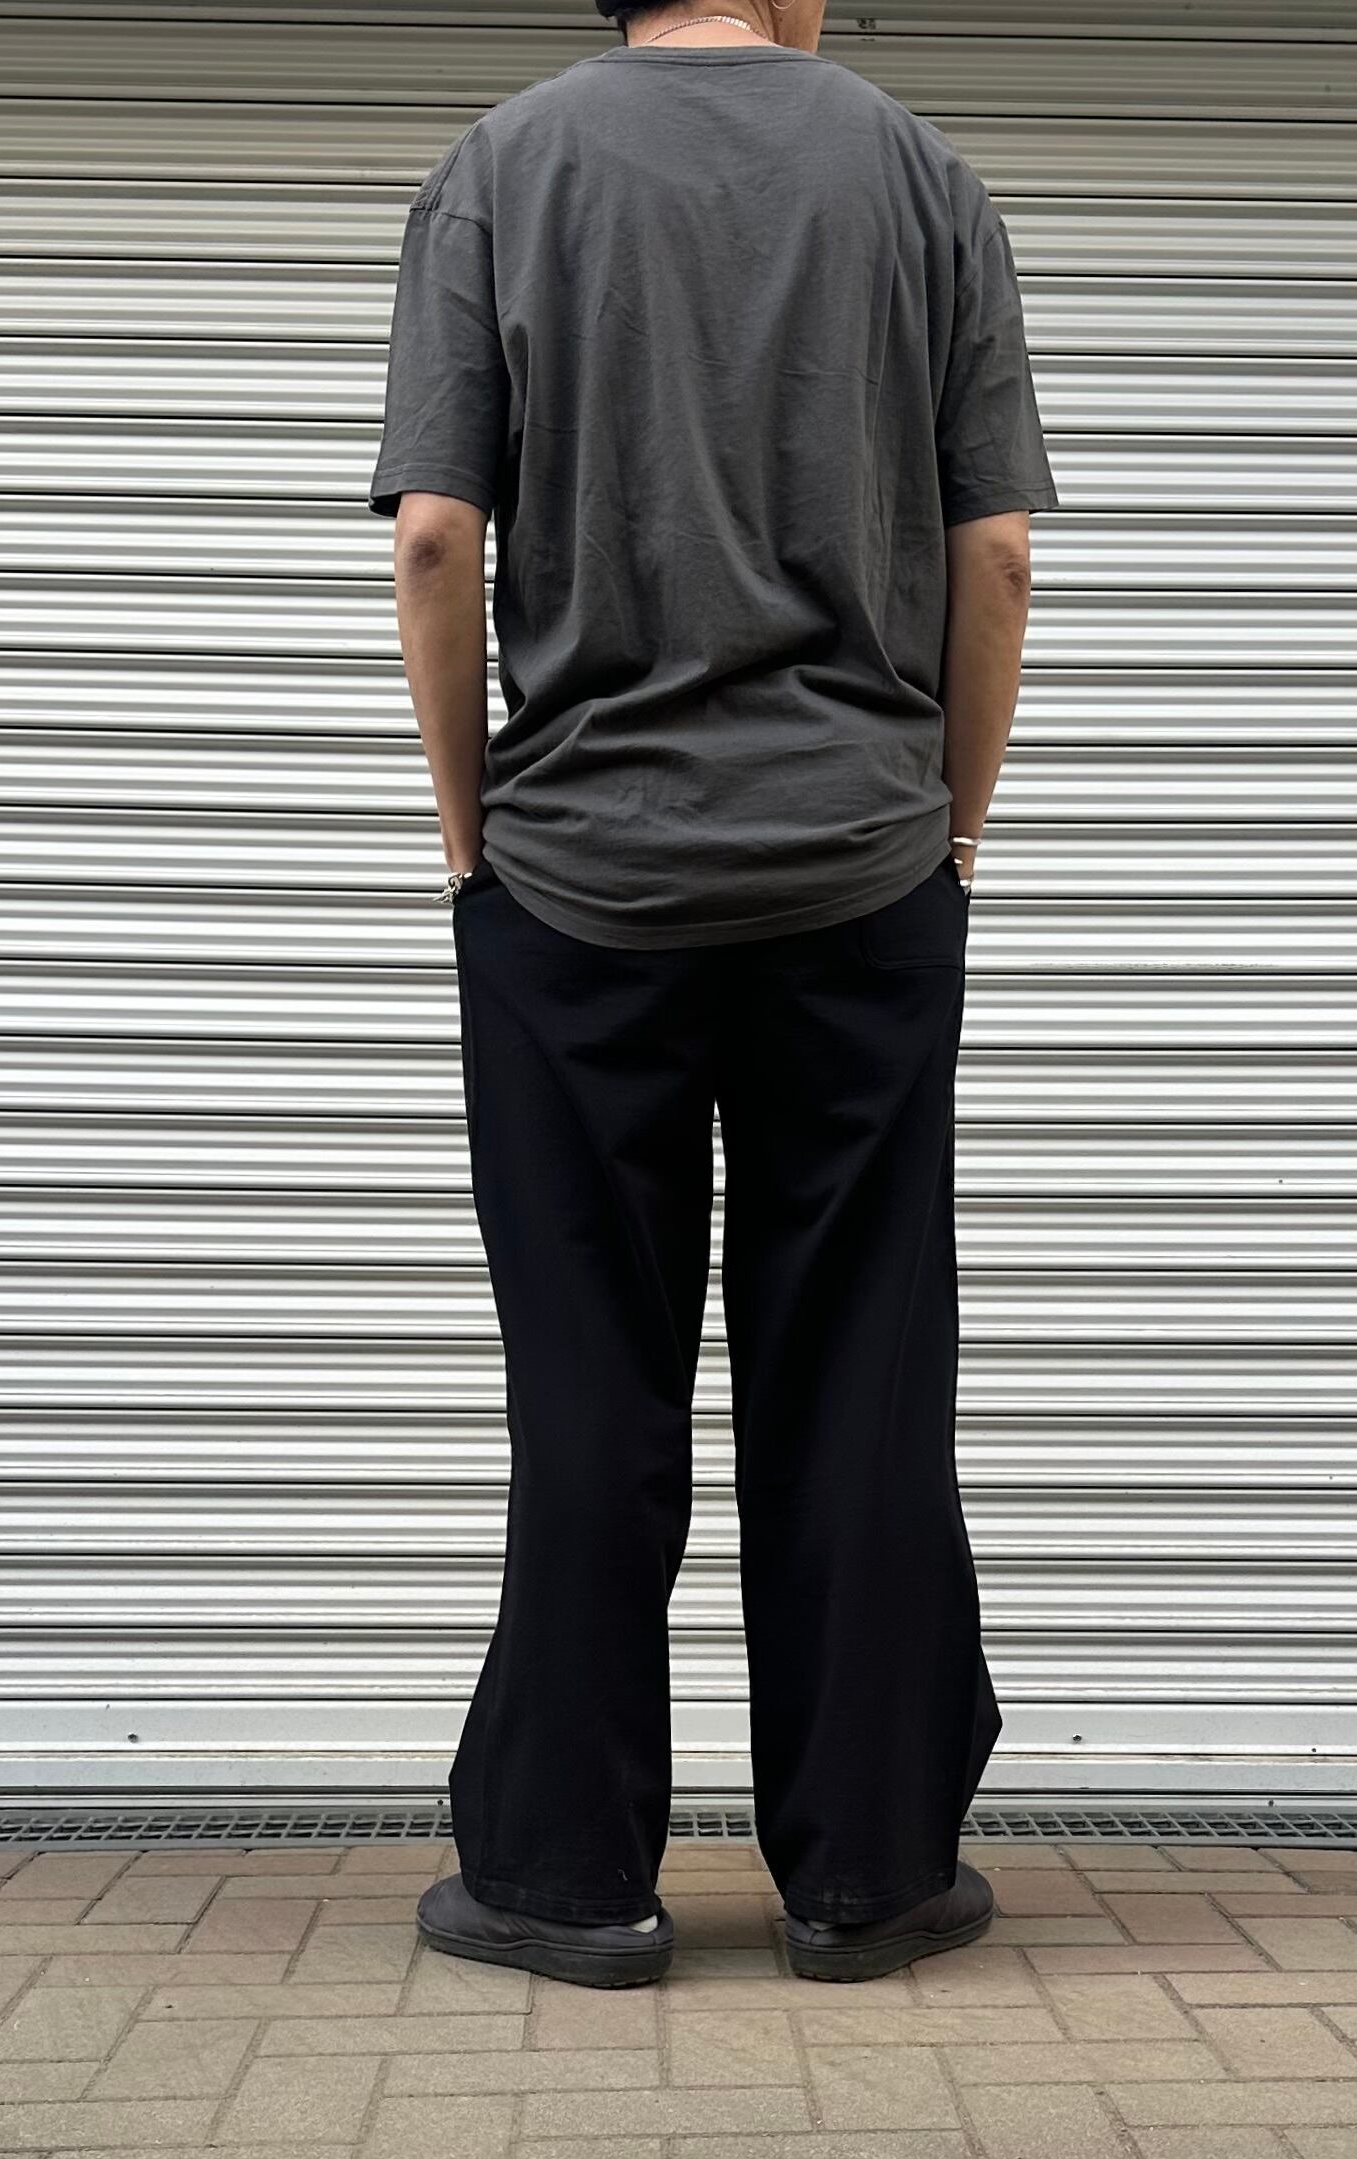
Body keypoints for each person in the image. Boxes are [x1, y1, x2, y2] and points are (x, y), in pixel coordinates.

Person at [372, 0, 1055, 1990]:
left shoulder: (502, 167)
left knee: (591, 1374)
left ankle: (563, 1877)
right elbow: (997, 555)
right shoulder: (919, 176)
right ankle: (871, 1875)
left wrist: (470, 834)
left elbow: (435, 537)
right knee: (857, 1372)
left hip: (578, 883)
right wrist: (949, 832)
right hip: (859, 872)